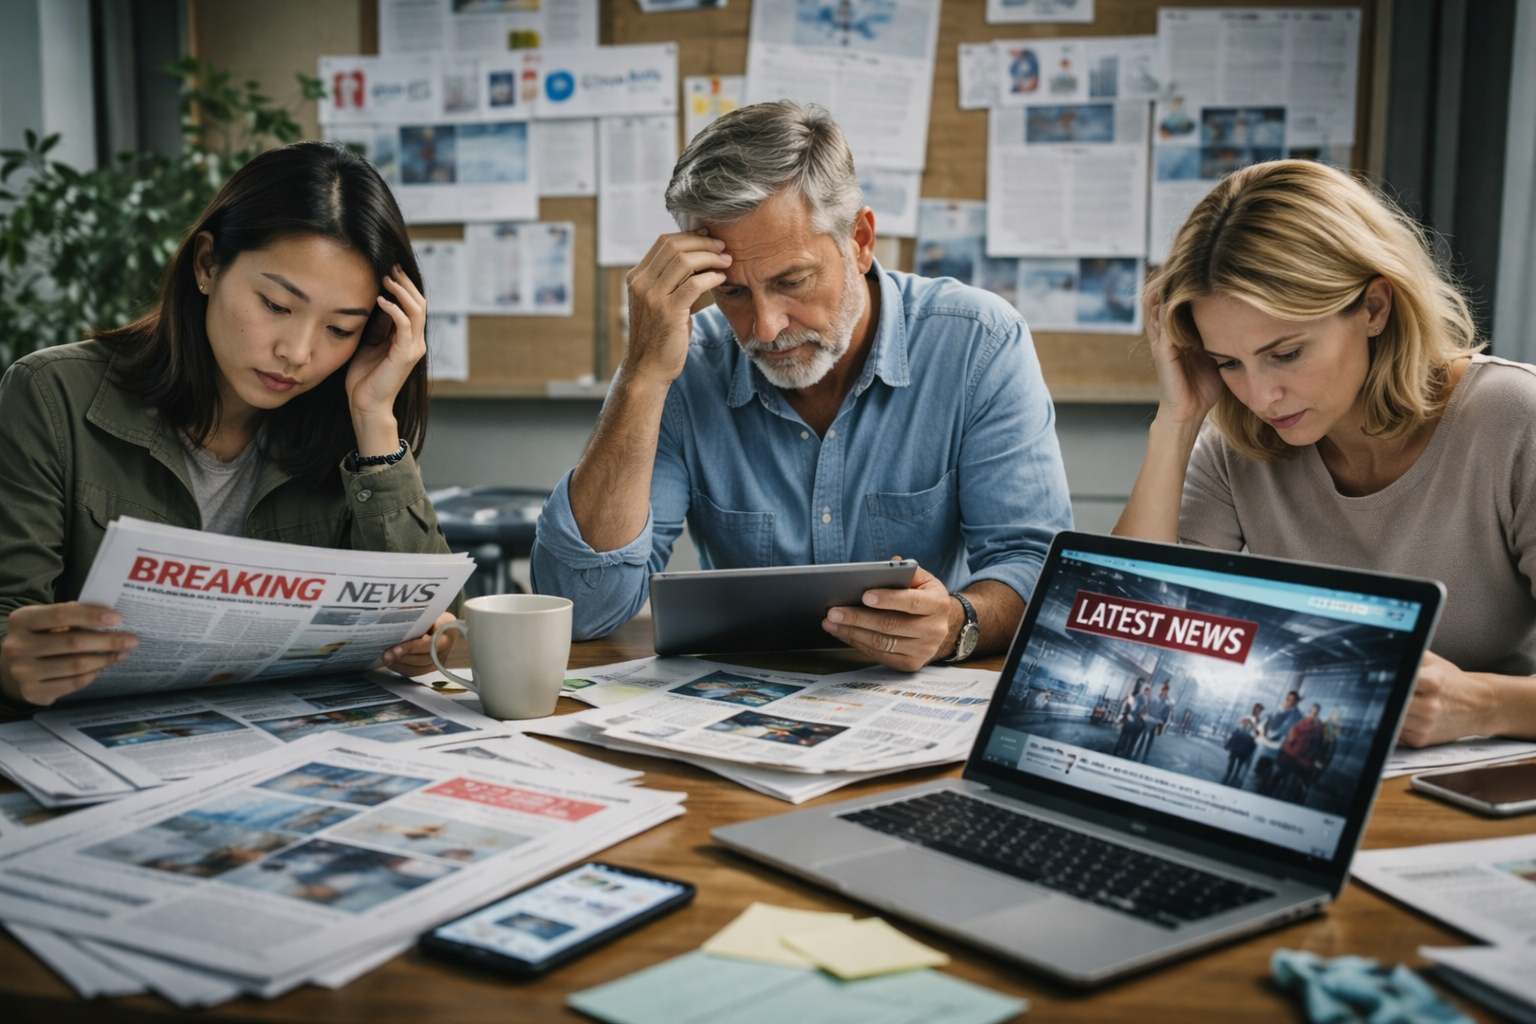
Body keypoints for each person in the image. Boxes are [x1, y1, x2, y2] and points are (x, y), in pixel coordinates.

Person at [531, 101, 1072, 669]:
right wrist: (641, 374)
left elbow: (1032, 563)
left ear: (860, 241)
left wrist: (958, 622)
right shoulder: (681, 360)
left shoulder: (977, 344)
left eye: (792, 281)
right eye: (732, 293)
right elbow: (583, 610)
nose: (766, 328)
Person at [0, 141, 454, 710]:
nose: (297, 352)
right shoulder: (51, 394)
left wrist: (373, 417)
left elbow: (419, 616)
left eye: (340, 330)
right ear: (207, 264)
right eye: (276, 306)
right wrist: (12, 665)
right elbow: (7, 616)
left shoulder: (347, 422)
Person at [1113, 159, 1536, 748]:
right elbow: (1130, 623)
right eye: (1229, 362)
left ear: (1374, 309)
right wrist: (1176, 423)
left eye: (1285, 353)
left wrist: (1482, 704)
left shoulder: (1516, 417)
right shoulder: (1236, 446)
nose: (1260, 396)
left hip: (1486, 795)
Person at [1273, 703, 1325, 803]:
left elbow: (1319, 741)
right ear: (1311, 710)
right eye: (1313, 710)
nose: (1314, 712)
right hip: (1292, 754)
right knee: (1284, 776)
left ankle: (1286, 798)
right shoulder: (1304, 721)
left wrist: (1315, 755)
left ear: (1318, 712)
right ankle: (1278, 795)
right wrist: (1291, 739)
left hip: (1304, 758)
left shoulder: (1319, 726)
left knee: (1294, 780)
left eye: (1316, 711)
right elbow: (1293, 730)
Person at [1254, 691, 1303, 794]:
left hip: (1282, 744)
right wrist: (1280, 711)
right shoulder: (1279, 709)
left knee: (1274, 768)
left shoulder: (1297, 715)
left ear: (1296, 701)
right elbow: (1264, 716)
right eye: (1288, 699)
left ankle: (1266, 788)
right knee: (1263, 765)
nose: (1289, 701)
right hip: (1270, 741)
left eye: (1292, 700)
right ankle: (1263, 785)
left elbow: (1295, 729)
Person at [1135, 681, 1175, 762]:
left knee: (1150, 738)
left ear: (1167, 691)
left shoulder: (1167, 703)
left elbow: (1165, 714)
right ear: (1162, 690)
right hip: (1149, 718)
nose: (1165, 692)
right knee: (1142, 736)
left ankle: (1145, 755)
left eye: (1166, 690)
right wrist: (1146, 714)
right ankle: (1137, 752)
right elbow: (1149, 706)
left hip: (1156, 721)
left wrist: (1162, 723)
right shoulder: (1156, 698)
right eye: (1164, 690)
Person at [1222, 708, 1261, 787]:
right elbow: (1235, 731)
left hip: (1244, 748)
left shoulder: (1257, 723)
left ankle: (1233, 777)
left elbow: (1256, 735)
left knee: (1239, 765)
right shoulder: (1245, 720)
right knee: (1232, 763)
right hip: (1237, 746)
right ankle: (1228, 775)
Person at [1111, 681, 1148, 758]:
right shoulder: (1142, 699)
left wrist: (1124, 718)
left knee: (1124, 737)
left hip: (1129, 721)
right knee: (1130, 741)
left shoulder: (1133, 698)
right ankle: (1125, 754)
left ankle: (1117, 751)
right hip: (1135, 723)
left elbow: (1126, 709)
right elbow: (1142, 713)